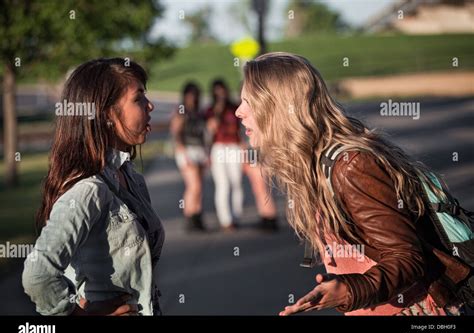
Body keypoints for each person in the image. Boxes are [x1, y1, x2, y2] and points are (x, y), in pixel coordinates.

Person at [235, 52, 470, 315]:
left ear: (278, 106)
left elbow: (406, 258)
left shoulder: (351, 165)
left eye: (248, 102)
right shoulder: (316, 163)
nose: (238, 111)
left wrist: (348, 290)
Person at [22, 58, 165, 316]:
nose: (150, 105)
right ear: (107, 113)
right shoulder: (88, 190)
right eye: (139, 98)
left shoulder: (132, 178)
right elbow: (38, 275)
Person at [206, 79, 244, 232]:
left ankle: (236, 216)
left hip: (234, 146)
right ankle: (225, 220)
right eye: (218, 91)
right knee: (223, 184)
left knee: (236, 182)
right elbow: (211, 129)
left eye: (223, 90)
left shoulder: (234, 107)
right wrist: (218, 109)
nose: (221, 94)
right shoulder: (210, 109)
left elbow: (241, 128)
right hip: (219, 148)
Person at [170, 82, 208, 232]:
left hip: (200, 150)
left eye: (195, 94)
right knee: (194, 185)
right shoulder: (181, 111)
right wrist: (182, 153)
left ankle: (197, 215)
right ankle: (189, 216)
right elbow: (176, 134)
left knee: (199, 186)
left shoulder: (199, 112)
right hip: (187, 150)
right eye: (190, 94)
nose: (193, 97)